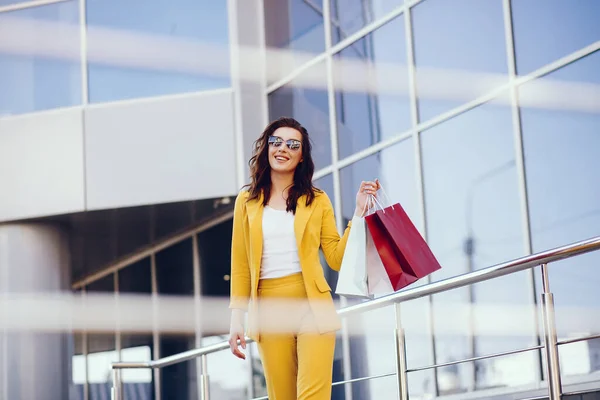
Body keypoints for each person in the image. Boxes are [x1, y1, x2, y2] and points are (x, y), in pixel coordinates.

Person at [228, 116, 379, 400]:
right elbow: (239, 264)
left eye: (292, 144)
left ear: (301, 157)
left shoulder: (317, 199)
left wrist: (358, 214)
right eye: (276, 141)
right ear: (267, 148)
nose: (282, 148)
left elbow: (335, 258)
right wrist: (237, 318)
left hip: (313, 304)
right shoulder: (246, 201)